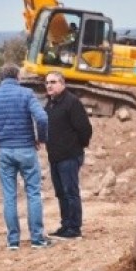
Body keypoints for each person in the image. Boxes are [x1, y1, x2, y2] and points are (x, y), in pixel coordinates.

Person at [0, 63, 52, 250]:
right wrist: (41, 139)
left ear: (0, 78)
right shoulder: (26, 94)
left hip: (5, 151)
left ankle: (13, 240)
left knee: (9, 196)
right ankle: (37, 239)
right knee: (33, 193)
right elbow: (42, 118)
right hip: (26, 149)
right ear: (18, 77)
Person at [44, 71, 92, 240]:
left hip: (69, 156)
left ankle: (74, 228)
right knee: (60, 193)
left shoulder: (72, 102)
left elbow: (85, 129)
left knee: (70, 192)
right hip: (55, 156)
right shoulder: (50, 103)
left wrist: (76, 147)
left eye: (53, 82)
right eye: (47, 82)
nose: (49, 85)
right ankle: (65, 225)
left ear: (62, 84)